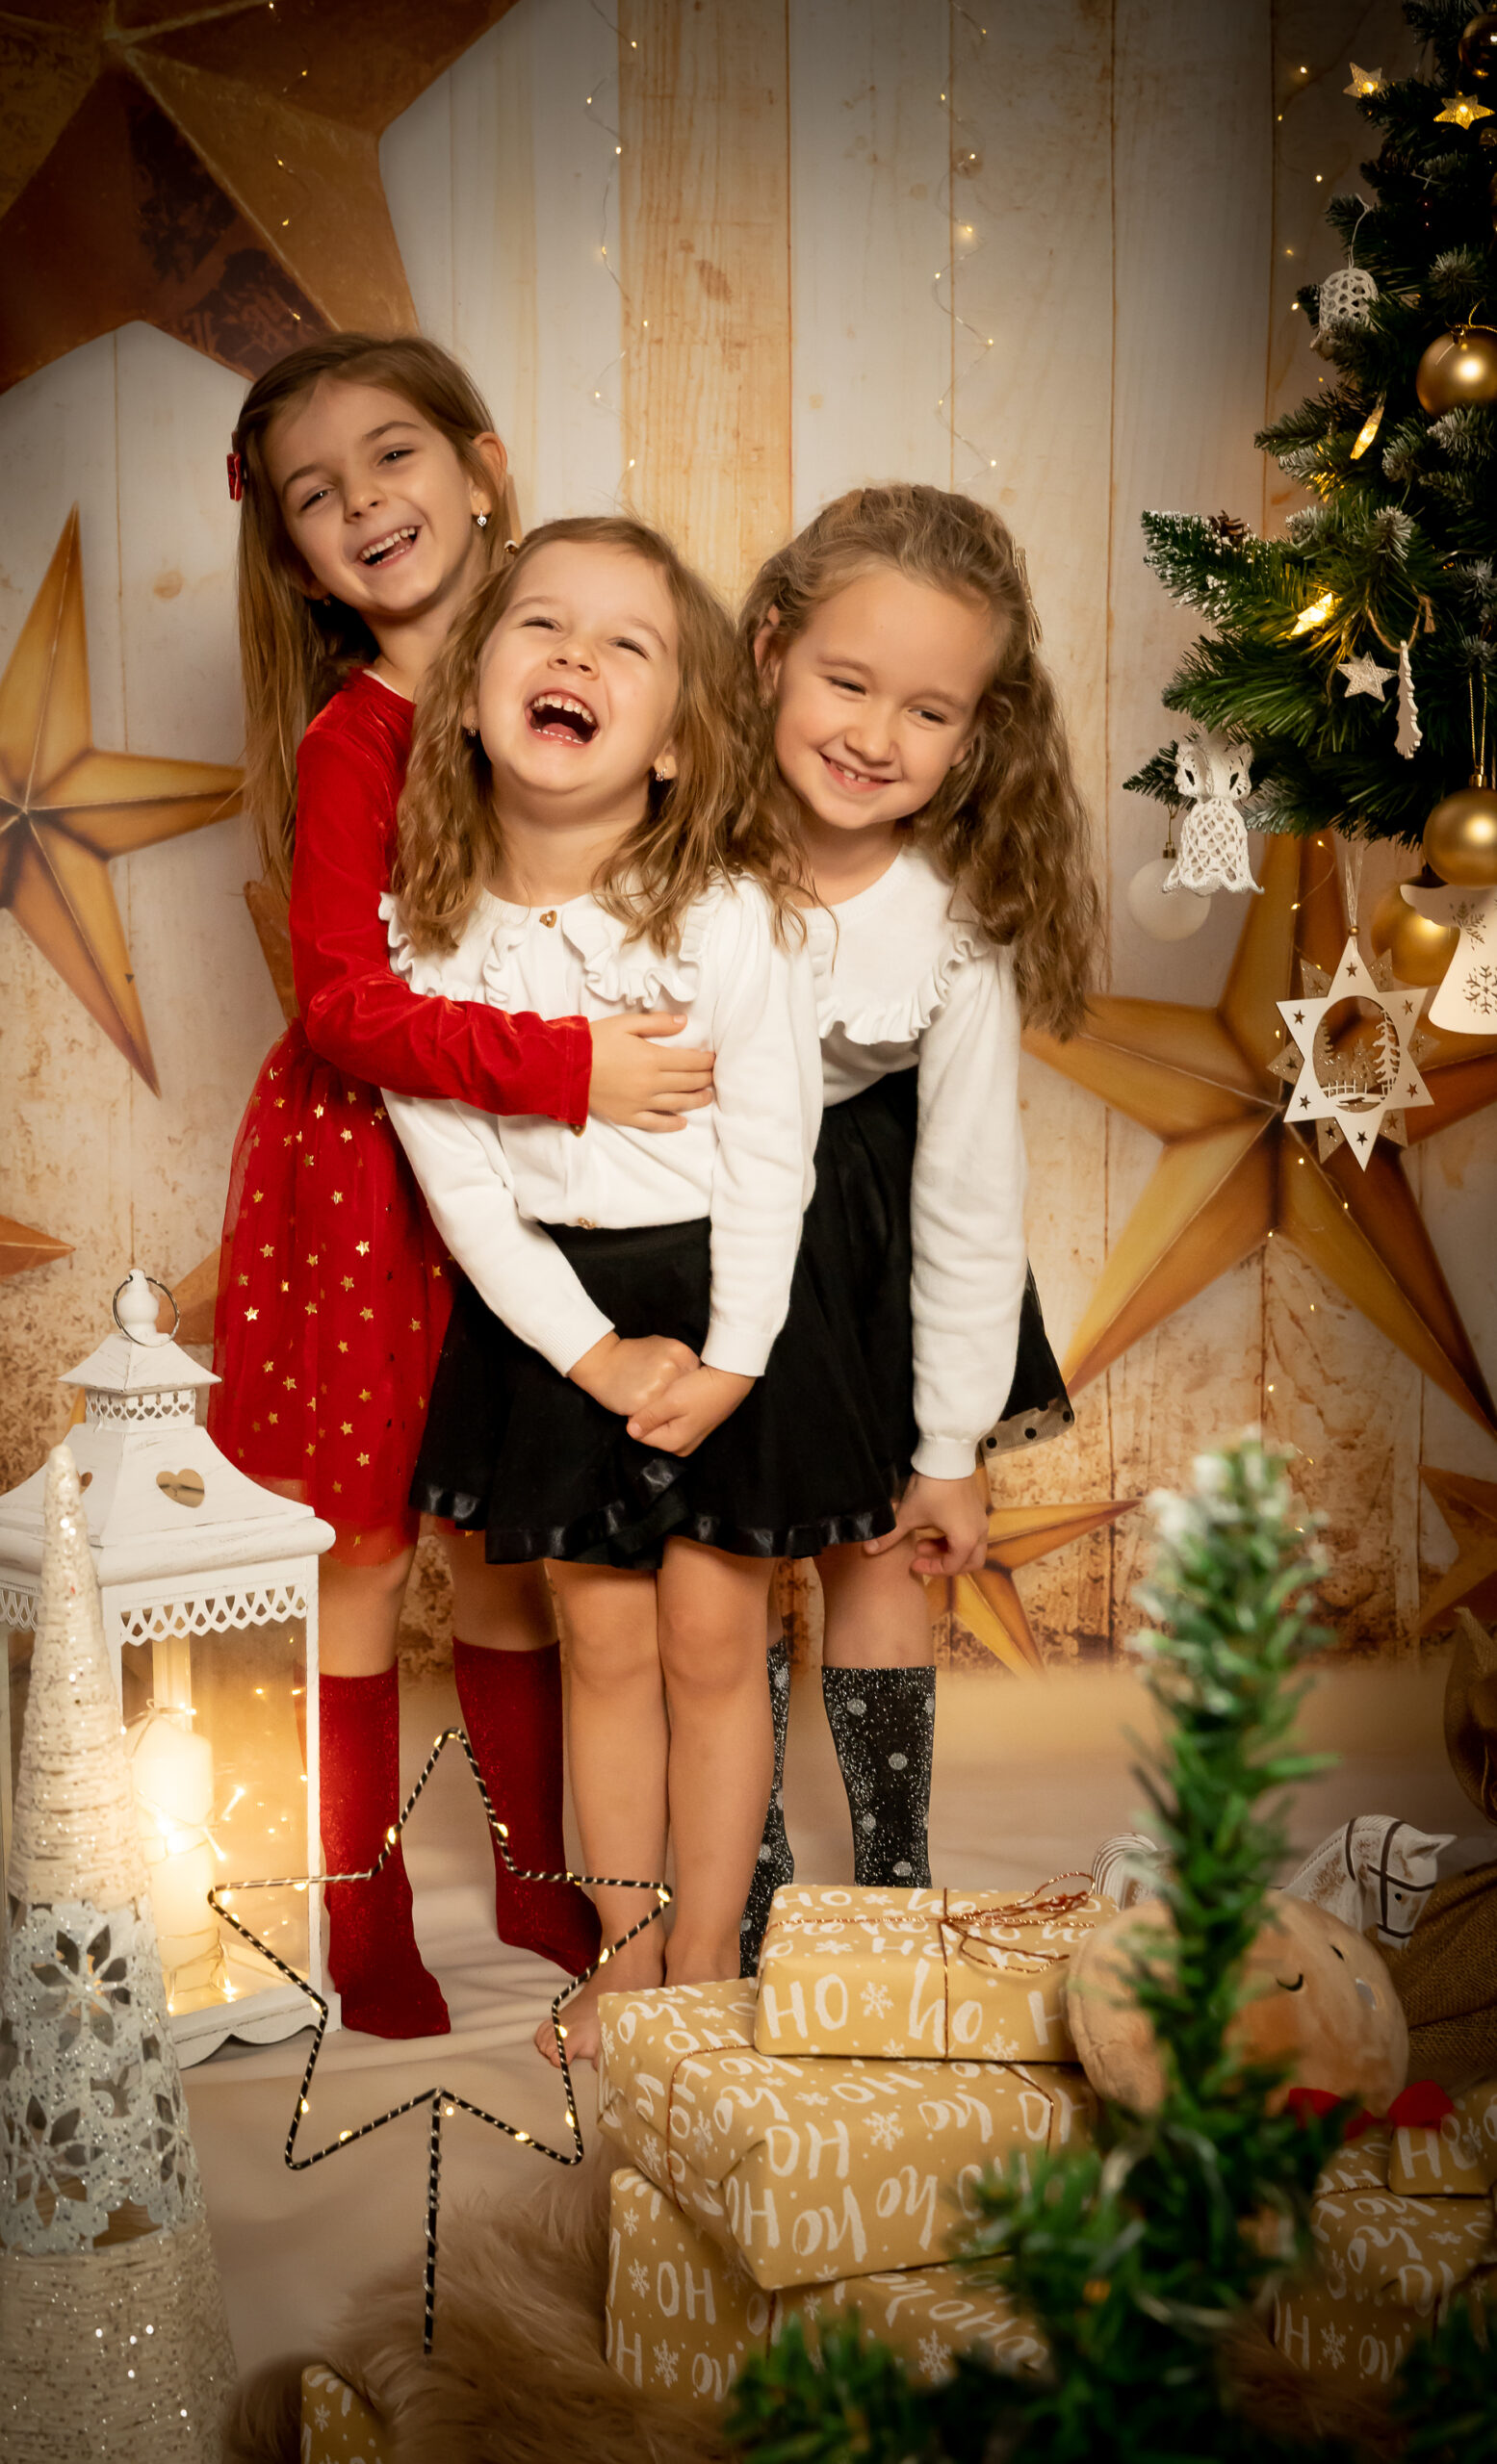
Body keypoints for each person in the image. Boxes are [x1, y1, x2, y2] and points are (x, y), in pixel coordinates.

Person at [208, 337, 714, 2038]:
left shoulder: (568, 670)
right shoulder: (355, 739)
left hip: (550, 1177)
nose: (364, 502)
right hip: (372, 1173)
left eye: (393, 455)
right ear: (297, 559)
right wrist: (573, 1068)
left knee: (514, 1536)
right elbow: (345, 1007)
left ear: (483, 469)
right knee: (364, 1548)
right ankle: (362, 1908)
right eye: (315, 493)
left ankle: (535, 1868)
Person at [382, 515, 896, 2064]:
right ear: (474, 694)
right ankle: (624, 1949)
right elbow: (466, 1195)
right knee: (601, 1650)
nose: (576, 657)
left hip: (732, 1295)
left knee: (713, 1649)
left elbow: (775, 1156)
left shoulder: (731, 916)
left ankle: (712, 1947)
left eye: (628, 643)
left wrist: (732, 1359)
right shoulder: (423, 937)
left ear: (673, 743)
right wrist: (593, 1356)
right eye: (542, 626)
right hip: (554, 1317)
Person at [736, 485, 1100, 1952]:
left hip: (870, 1239)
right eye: (847, 682)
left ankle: (890, 1881)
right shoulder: (678, 849)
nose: (876, 735)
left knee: (881, 1551)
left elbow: (968, 1195)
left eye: (929, 710)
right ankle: (738, 1866)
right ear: (769, 647)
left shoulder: (953, 919)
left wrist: (951, 1448)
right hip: (705, 1219)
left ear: (978, 733)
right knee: (720, 1560)